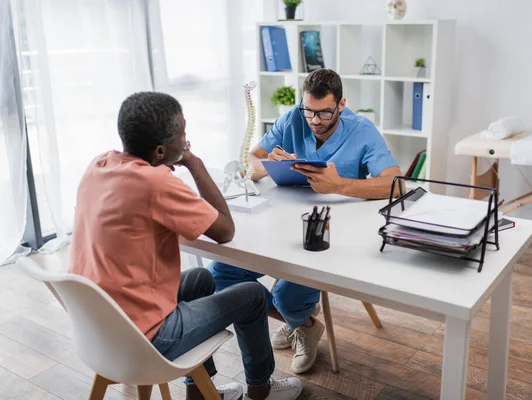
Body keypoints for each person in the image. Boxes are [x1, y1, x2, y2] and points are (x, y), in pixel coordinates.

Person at [68, 92, 302, 400]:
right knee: (255, 295)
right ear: (161, 150)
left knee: (202, 278)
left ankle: (199, 391)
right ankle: (261, 388)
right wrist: (194, 163)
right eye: (183, 133)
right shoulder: (154, 182)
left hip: (100, 328)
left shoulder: (99, 165)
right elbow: (225, 230)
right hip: (145, 340)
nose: (186, 140)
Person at [209, 69, 402, 374]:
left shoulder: (362, 130)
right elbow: (252, 159)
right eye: (308, 110)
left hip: (328, 235)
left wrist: (341, 185)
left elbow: (397, 184)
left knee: (286, 295)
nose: (314, 120)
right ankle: (303, 322)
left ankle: (297, 317)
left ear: (341, 104)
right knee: (218, 275)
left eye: (324, 112)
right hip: (278, 225)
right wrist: (266, 164)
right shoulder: (292, 118)